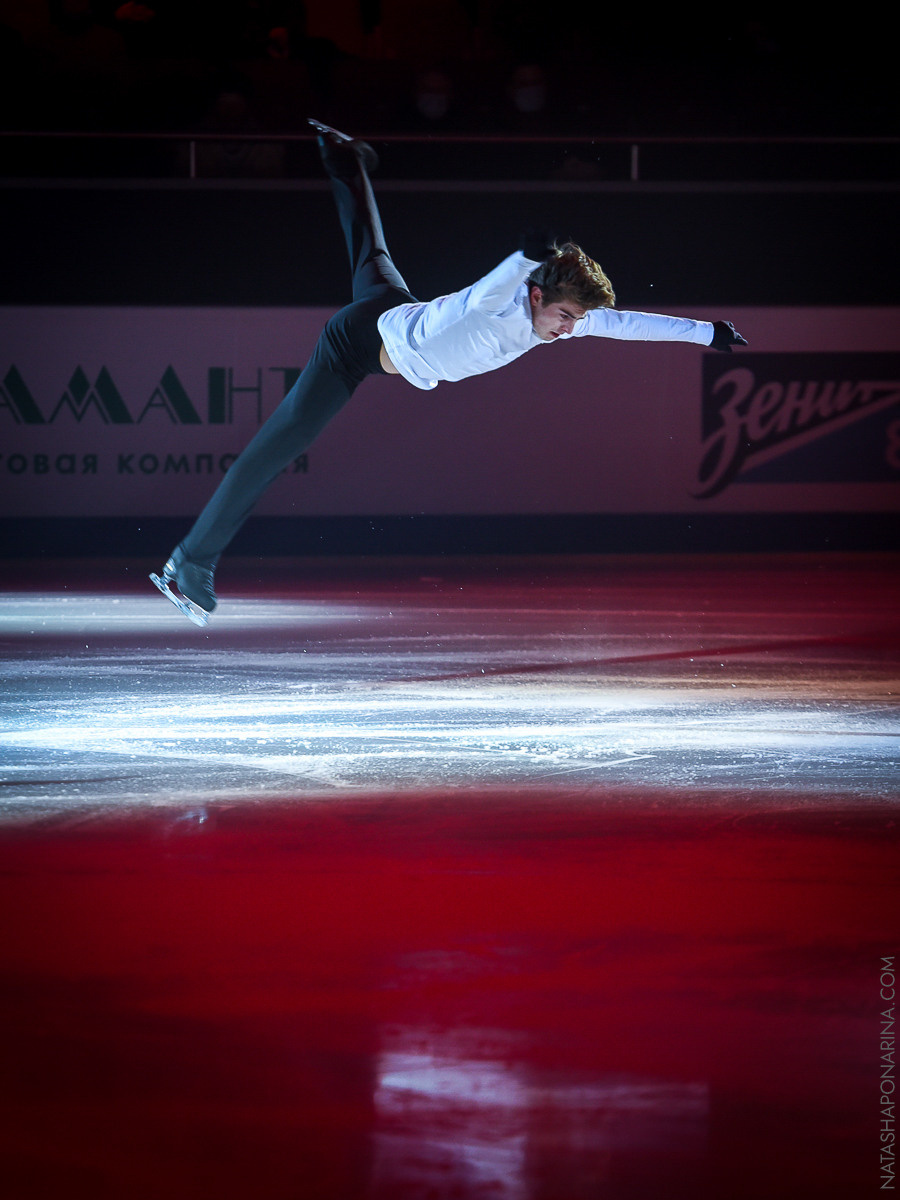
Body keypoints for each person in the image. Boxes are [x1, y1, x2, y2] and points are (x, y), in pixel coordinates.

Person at [151, 119, 748, 626]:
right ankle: (192, 561)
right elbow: (497, 281)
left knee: (372, 249)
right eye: (565, 315)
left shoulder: (562, 319)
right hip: (357, 344)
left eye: (577, 320)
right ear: (536, 295)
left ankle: (344, 155)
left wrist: (707, 332)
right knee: (277, 447)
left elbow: (627, 324)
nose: (571, 329)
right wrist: (528, 255)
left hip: (394, 312)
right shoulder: (494, 304)